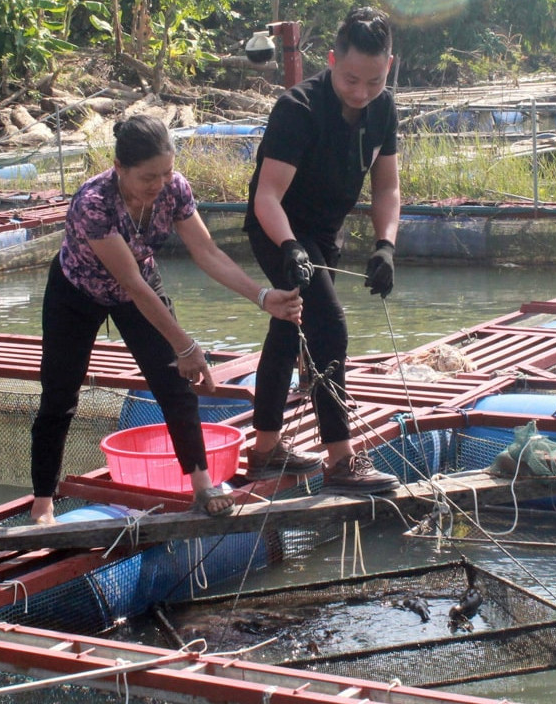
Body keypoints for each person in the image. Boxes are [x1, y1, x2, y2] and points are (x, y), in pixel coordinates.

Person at [30, 114, 304, 524]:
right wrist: (187, 345)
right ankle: (43, 502)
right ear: (120, 169)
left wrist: (262, 296)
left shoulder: (174, 189)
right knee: (59, 395)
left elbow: (207, 252)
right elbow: (133, 286)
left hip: (139, 281)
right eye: (147, 177)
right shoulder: (93, 203)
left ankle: (201, 485)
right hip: (78, 292)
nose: (158, 185)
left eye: (166, 172)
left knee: (176, 383)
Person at [243, 6, 401, 494]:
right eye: (350, 79)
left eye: (373, 82)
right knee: (328, 324)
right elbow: (267, 195)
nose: (360, 92)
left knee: (289, 327)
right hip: (279, 228)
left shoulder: (384, 108)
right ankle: (340, 459)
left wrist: (385, 246)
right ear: (332, 59)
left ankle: (265, 451)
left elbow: (386, 188)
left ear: (388, 67)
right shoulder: (299, 109)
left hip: (325, 234)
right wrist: (289, 247)